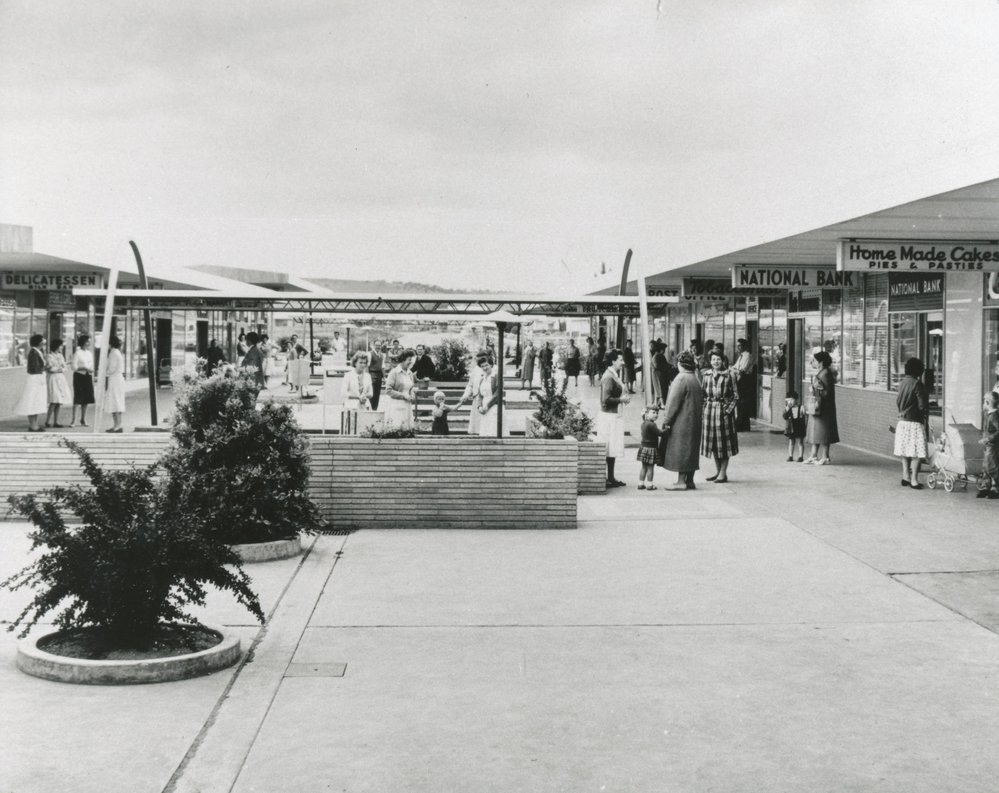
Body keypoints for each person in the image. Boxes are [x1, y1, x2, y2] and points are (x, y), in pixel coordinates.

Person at [658, 351, 705, 490]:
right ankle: (690, 480)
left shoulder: (681, 378)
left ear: (679, 363)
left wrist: (666, 421)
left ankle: (680, 482)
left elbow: (672, 402)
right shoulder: (695, 378)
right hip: (695, 420)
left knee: (681, 450)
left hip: (682, 422)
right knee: (691, 450)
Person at [701, 349, 739, 483]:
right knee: (714, 444)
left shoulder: (730, 375)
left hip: (723, 412)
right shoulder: (706, 375)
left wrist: (727, 411)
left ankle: (723, 473)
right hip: (709, 412)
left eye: (718, 359)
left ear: (723, 360)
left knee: (724, 444)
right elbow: (703, 394)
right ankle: (718, 472)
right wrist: (703, 409)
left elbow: (735, 396)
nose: (716, 362)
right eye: (713, 359)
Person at [597, 349, 630, 487]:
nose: (622, 363)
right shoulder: (608, 377)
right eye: (620, 360)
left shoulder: (613, 375)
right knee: (607, 447)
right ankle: (605, 477)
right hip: (608, 417)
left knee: (612, 448)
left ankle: (610, 477)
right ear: (613, 361)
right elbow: (605, 399)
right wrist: (621, 399)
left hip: (614, 415)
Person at [895, 356, 929, 489]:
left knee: (904, 451)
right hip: (914, 422)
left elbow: (898, 401)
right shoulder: (917, 384)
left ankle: (905, 476)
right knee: (916, 452)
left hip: (902, 421)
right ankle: (914, 479)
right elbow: (922, 405)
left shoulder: (902, 383)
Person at [804, 350, 840, 465]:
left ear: (821, 362)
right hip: (818, 407)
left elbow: (826, 392)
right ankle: (813, 455)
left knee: (824, 432)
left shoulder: (825, 374)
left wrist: (814, 390)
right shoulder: (822, 372)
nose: (812, 363)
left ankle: (825, 456)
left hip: (824, 408)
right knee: (816, 432)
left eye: (814, 360)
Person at [15, 334, 48, 432]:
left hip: (39, 378)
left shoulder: (39, 351)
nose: (44, 342)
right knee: (32, 401)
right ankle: (33, 425)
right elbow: (34, 368)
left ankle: (35, 424)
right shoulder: (33, 352)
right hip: (35, 379)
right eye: (42, 340)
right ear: (39, 342)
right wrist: (45, 368)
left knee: (37, 401)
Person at [384, 349, 417, 429]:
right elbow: (388, 391)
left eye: (412, 360)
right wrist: (403, 396)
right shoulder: (394, 372)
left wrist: (412, 395)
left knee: (407, 429)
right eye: (409, 360)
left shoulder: (410, 373)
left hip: (407, 406)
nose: (411, 362)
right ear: (403, 359)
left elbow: (411, 388)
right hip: (396, 405)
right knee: (396, 428)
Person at [44, 338, 71, 428]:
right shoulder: (49, 356)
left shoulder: (60, 356)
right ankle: (47, 421)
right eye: (60, 346)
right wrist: (59, 368)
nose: (62, 347)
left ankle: (56, 421)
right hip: (53, 378)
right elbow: (50, 368)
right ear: (56, 346)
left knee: (59, 401)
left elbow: (65, 367)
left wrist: (59, 369)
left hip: (60, 378)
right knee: (54, 400)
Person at [70, 333, 95, 427]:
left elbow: (91, 365)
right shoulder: (77, 353)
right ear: (83, 342)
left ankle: (83, 419)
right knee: (78, 398)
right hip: (79, 376)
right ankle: (73, 420)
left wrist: (90, 369)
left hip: (88, 376)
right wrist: (83, 368)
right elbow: (74, 367)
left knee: (86, 399)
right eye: (88, 341)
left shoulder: (89, 353)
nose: (89, 343)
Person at [731, 338, 755, 432]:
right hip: (739, 380)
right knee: (739, 402)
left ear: (745, 346)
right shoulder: (741, 356)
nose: (738, 348)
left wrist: (735, 370)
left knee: (743, 402)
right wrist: (734, 370)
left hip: (745, 380)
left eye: (740, 346)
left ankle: (743, 425)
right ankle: (741, 423)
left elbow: (742, 370)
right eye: (737, 346)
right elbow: (735, 367)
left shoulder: (747, 355)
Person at [456, 353, 484, 434]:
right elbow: (470, 385)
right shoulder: (475, 370)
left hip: (487, 400)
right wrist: (465, 395)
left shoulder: (494, 368)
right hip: (477, 400)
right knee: (477, 426)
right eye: (478, 359)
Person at [476, 354, 503, 436]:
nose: (485, 368)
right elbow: (480, 395)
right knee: (485, 432)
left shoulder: (496, 377)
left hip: (494, 406)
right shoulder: (482, 379)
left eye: (486, 365)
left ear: (491, 364)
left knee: (493, 431)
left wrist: (487, 406)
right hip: (484, 409)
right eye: (482, 366)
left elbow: (498, 393)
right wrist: (479, 406)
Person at [103, 336, 125, 433]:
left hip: (114, 379)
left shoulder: (113, 353)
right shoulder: (117, 352)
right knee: (117, 400)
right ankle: (117, 425)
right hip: (117, 379)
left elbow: (111, 369)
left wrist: (103, 372)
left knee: (115, 401)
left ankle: (117, 425)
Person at [978, 391, 999, 499]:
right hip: (987, 445)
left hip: (992, 445)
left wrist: (988, 438)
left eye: (984, 401)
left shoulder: (994, 416)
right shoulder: (989, 415)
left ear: (987, 402)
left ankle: (995, 489)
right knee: (986, 466)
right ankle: (985, 487)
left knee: (992, 467)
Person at [637, 406, 661, 491]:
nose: (656, 415)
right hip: (651, 448)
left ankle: (640, 483)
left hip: (643, 448)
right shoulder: (652, 424)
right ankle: (650, 485)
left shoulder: (643, 423)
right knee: (650, 467)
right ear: (647, 414)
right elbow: (659, 433)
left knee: (644, 467)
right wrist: (667, 430)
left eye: (657, 413)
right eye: (653, 413)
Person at [782, 390, 807, 462]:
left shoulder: (801, 407)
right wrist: (787, 409)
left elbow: (805, 414)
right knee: (791, 442)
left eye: (791, 400)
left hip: (799, 426)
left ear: (796, 400)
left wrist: (804, 411)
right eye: (788, 401)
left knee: (800, 442)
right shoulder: (787, 408)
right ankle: (790, 456)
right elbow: (784, 417)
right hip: (791, 427)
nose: (789, 402)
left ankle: (800, 456)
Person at [651, 342, 675, 407]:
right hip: (658, 376)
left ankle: (657, 403)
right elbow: (657, 366)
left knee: (660, 389)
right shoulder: (657, 356)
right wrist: (668, 366)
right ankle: (662, 404)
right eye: (663, 349)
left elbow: (665, 364)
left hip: (660, 375)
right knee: (660, 389)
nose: (664, 351)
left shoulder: (659, 356)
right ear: (661, 349)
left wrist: (669, 366)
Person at [368, 344, 384, 410]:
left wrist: (384, 378)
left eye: (379, 345)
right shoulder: (370, 354)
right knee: (372, 391)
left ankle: (375, 408)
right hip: (372, 373)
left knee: (377, 392)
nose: (378, 347)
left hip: (379, 374)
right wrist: (367, 376)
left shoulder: (382, 355)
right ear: (374, 346)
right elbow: (367, 366)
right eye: (376, 345)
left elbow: (383, 367)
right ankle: (371, 407)